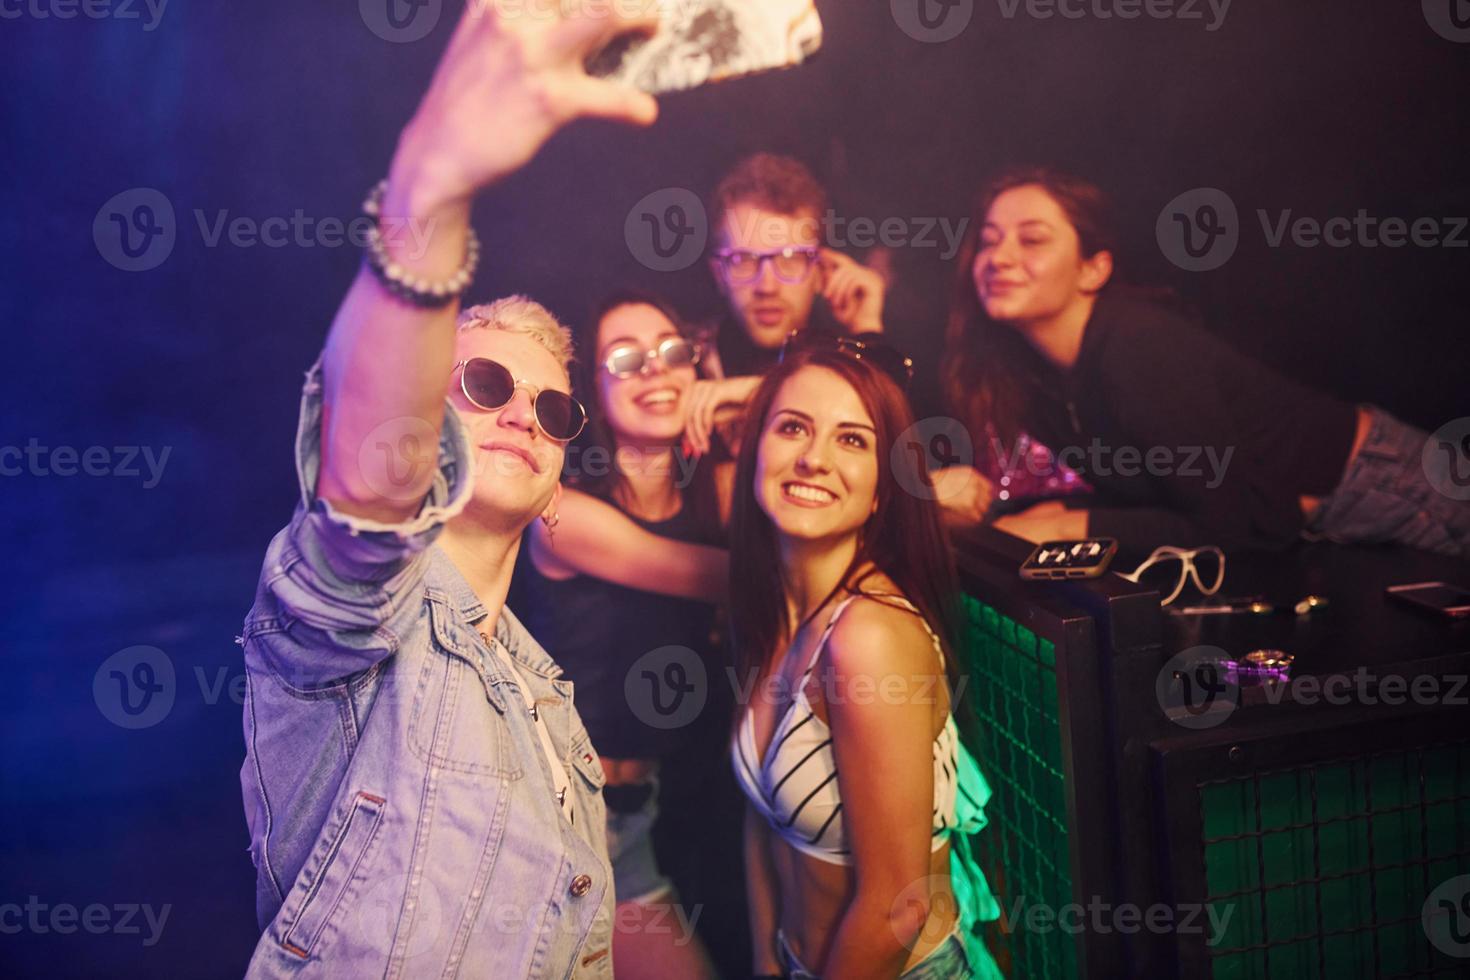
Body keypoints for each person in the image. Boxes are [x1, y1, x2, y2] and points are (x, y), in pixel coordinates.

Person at [237, 5, 664, 976]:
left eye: (557, 411)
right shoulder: (366, 620)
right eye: (485, 384)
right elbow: (362, 508)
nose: (526, 413)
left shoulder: (555, 708)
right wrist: (429, 192)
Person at [940, 166, 1470, 559]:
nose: (1000, 257)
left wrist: (1066, 526)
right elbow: (1175, 497)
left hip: (1392, 482)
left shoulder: (1137, 345)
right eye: (989, 240)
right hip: (1318, 520)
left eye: (1031, 239)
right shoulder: (1037, 378)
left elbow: (1239, 525)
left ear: (1093, 269)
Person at [727, 337, 1001, 979]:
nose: (814, 459)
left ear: (883, 489)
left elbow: (896, 912)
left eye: (852, 440)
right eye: (793, 427)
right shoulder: (778, 614)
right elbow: (762, 816)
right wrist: (771, 962)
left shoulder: (869, 637)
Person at [511, 291, 730, 978]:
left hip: (638, 815)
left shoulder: (713, 492)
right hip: (559, 818)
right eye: (626, 359)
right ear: (593, 394)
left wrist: (735, 395)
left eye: (672, 353)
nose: (655, 372)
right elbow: (743, 575)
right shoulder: (563, 510)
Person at [683, 153, 892, 457]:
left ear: (820, 271)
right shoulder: (684, 364)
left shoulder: (848, 357)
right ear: (719, 274)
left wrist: (867, 327)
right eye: (743, 261)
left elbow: (884, 440)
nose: (767, 286)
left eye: (790, 260)